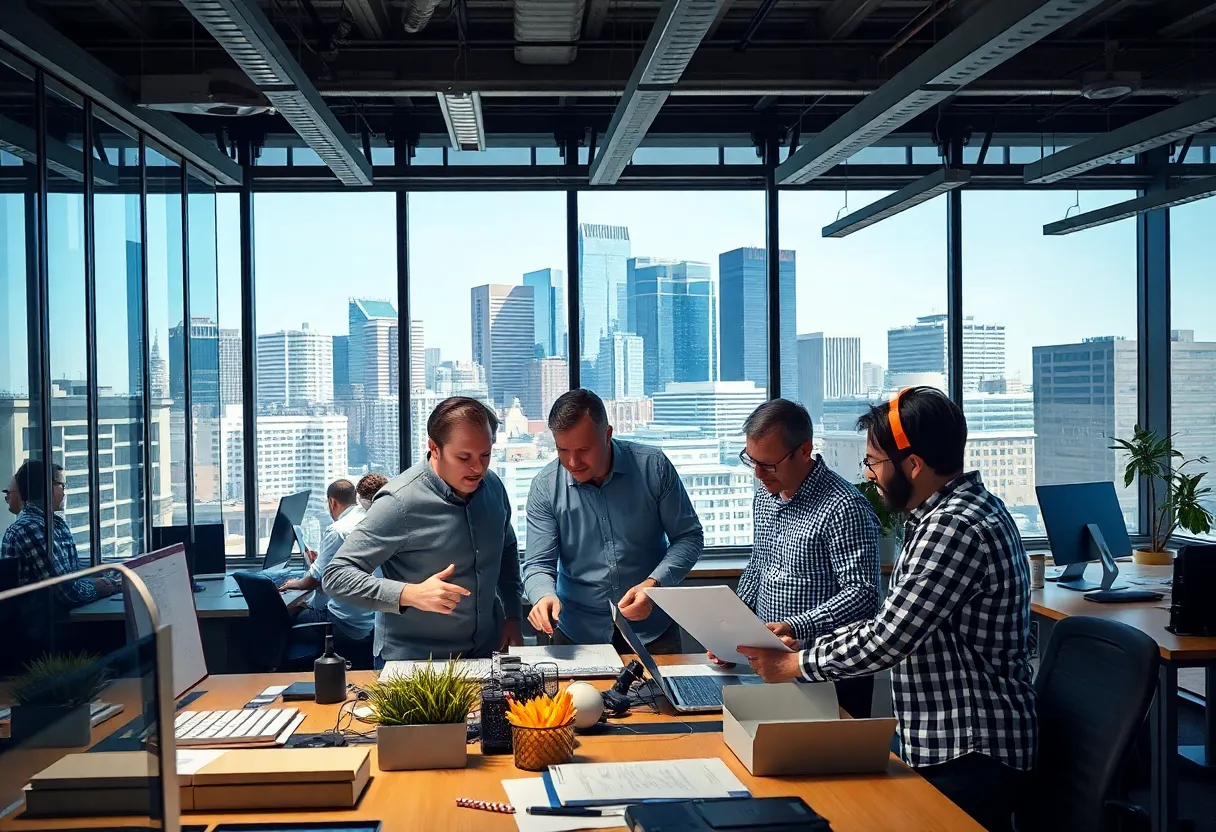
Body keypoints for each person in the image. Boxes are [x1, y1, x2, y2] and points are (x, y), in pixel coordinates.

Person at [735, 387, 1035, 832]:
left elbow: (888, 636)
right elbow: (890, 621)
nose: (869, 474)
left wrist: (794, 663)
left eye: (874, 462)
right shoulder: (952, 513)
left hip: (969, 747)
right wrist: (794, 643)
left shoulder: (953, 527)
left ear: (912, 464)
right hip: (943, 739)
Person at [711, 399, 880, 719]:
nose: (758, 474)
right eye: (752, 461)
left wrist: (795, 626)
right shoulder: (765, 495)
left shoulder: (844, 507)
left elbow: (862, 595)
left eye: (768, 465)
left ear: (804, 451)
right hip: (772, 668)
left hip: (830, 674)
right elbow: (759, 565)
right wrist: (729, 632)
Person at [324, 397, 523, 662]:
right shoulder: (399, 502)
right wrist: (410, 594)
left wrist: (512, 614)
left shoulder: (494, 486)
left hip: (485, 654)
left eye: (485, 455)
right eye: (464, 457)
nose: (478, 468)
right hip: (415, 663)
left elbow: (506, 548)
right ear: (434, 448)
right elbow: (336, 576)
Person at [524, 389, 703, 653]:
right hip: (577, 633)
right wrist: (543, 595)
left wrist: (654, 585)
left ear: (607, 434)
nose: (573, 462)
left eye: (584, 450)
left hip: (653, 631)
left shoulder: (653, 467)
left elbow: (689, 537)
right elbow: (538, 564)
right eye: (563, 450)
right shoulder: (544, 487)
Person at [0, 461, 120, 606]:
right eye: (61, 486)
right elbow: (66, 591)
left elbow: (71, 574)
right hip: (43, 618)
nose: (64, 492)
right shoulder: (30, 528)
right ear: (46, 487)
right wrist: (103, 587)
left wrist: (108, 575)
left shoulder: (53, 523)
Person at [279, 479, 373, 643]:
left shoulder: (338, 531)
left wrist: (297, 583)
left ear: (332, 502)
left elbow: (315, 580)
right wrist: (322, 560)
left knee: (284, 619)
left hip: (343, 623)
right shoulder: (368, 520)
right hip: (369, 621)